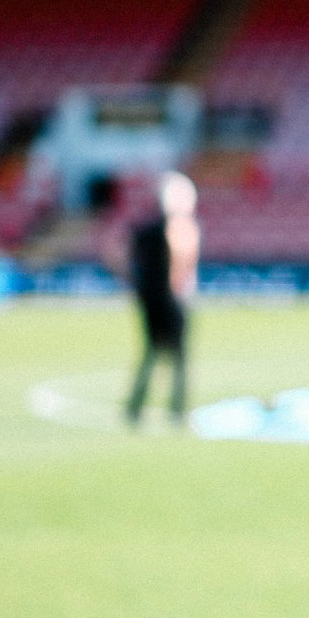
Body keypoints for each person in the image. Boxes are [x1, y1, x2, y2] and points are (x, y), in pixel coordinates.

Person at [124, 171, 200, 427]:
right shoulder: (177, 227)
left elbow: (118, 253)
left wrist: (134, 282)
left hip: (148, 299)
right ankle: (177, 411)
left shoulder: (144, 229)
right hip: (171, 299)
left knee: (151, 354)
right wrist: (178, 282)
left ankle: (135, 407)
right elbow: (182, 255)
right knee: (179, 358)